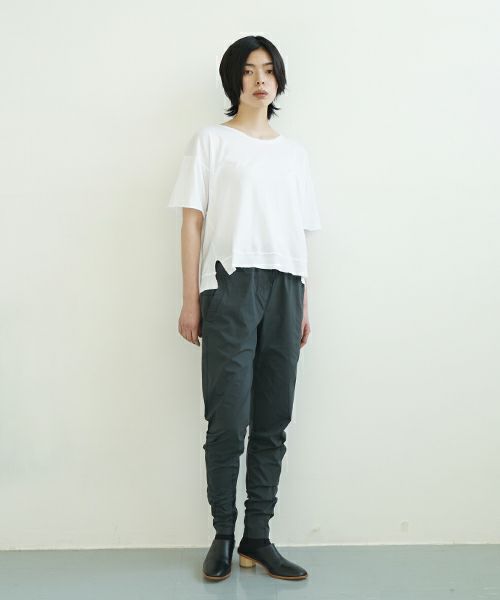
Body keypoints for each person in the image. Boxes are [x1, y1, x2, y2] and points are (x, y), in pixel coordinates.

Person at [168, 35, 321, 581]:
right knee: (228, 420)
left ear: (279, 80)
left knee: (273, 419)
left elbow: (300, 234)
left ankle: (258, 537)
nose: (261, 80)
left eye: (269, 70)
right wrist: (191, 299)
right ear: (234, 78)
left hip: (285, 287)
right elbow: (192, 222)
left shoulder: (294, 153)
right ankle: (223, 534)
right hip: (229, 285)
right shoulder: (211, 142)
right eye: (250, 70)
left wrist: (303, 303)